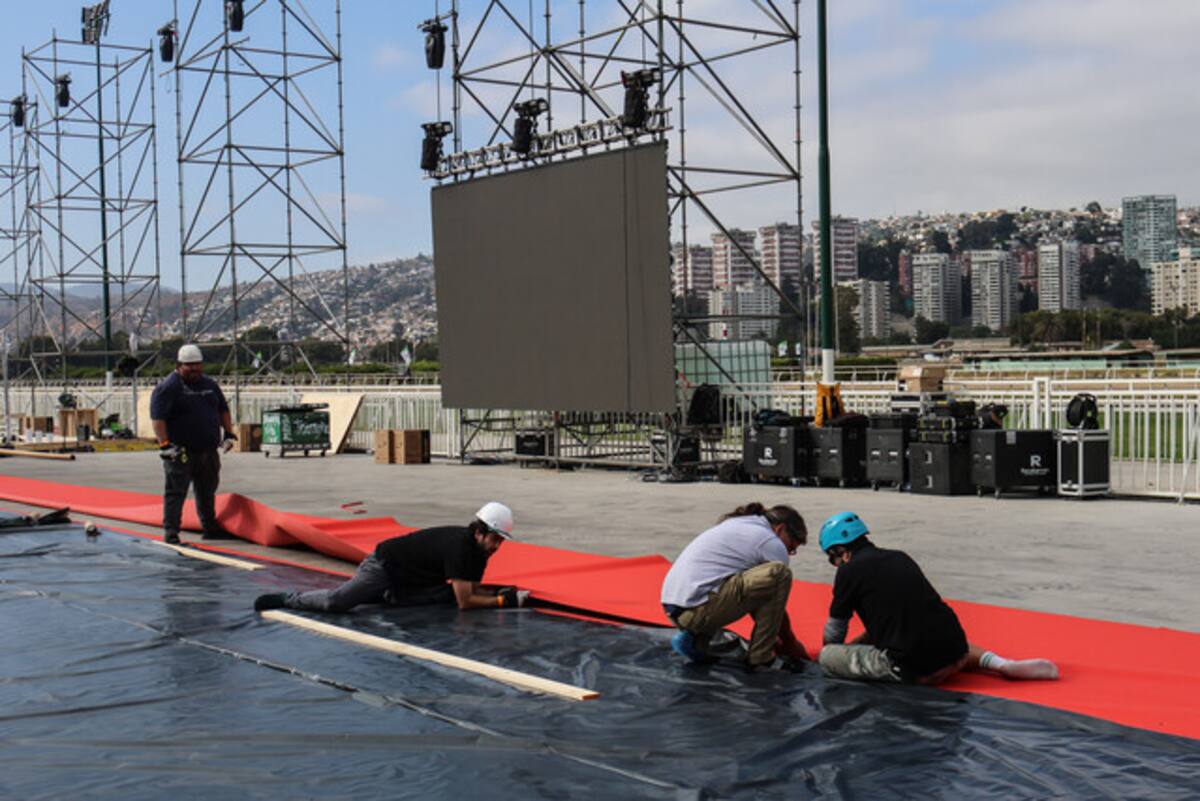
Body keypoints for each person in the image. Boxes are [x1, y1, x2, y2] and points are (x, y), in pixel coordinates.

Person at [817, 511, 1059, 685]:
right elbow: (905, 615)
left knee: (827, 658)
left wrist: (834, 652)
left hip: (915, 668)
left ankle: (919, 670)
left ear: (841, 550)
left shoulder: (848, 571)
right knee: (929, 631)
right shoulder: (899, 557)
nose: (835, 565)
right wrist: (857, 645)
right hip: (956, 651)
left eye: (833, 559)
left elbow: (834, 631)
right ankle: (999, 664)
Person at [253, 502, 530, 613]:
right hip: (385, 567)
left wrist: (497, 593)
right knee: (337, 602)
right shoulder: (460, 547)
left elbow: (470, 589)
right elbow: (465, 602)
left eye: (500, 541)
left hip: (411, 579)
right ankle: (288, 599)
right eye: (495, 539)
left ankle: (390, 596)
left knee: (443, 594)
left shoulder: (479, 552)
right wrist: (502, 601)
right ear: (479, 532)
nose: (497, 546)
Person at [660, 502, 810, 669]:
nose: (790, 553)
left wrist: (771, 634)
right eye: (791, 547)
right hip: (698, 610)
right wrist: (790, 643)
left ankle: (695, 640)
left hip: (675, 607)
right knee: (780, 574)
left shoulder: (739, 524)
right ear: (780, 529)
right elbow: (775, 599)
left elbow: (755, 594)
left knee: (750, 579)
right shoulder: (769, 540)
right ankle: (761, 657)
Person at [150, 344, 237, 545]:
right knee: (176, 492)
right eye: (190, 366)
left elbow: (222, 409)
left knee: (207, 490)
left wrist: (229, 433)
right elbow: (158, 418)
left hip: (207, 450)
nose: (195, 369)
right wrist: (164, 445)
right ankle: (171, 531)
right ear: (179, 365)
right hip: (181, 451)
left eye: (198, 365)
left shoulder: (209, 384)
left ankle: (210, 527)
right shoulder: (168, 388)